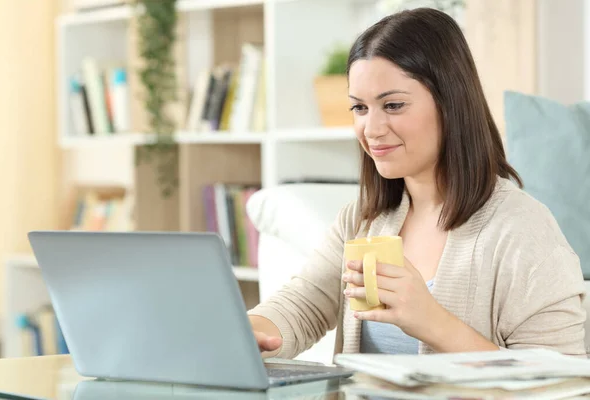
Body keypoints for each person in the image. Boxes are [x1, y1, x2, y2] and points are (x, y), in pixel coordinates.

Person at [248, 7, 587, 358]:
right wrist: (243, 332)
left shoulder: (522, 231)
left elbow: (560, 384)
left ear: (450, 103)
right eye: (360, 108)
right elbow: (302, 307)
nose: (372, 129)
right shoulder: (362, 221)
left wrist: (431, 321)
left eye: (393, 105)